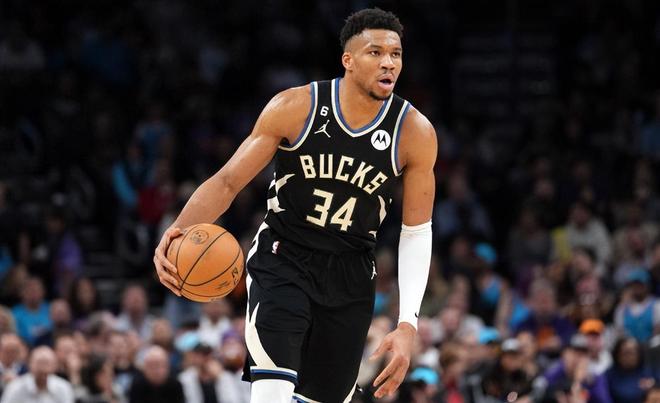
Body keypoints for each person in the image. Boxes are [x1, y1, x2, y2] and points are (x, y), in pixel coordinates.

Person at [153, 8, 436, 402]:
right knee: (272, 392)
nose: (388, 62)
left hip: (351, 274)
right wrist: (177, 230)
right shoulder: (296, 106)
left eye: (396, 54)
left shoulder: (414, 132)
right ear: (348, 60)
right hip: (284, 257)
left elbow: (416, 231)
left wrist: (407, 323)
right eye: (375, 52)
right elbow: (229, 180)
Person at [0, 346, 74, 403]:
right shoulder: (16, 387)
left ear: (55, 366)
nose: (43, 368)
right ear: (30, 364)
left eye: (47, 363)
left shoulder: (63, 387)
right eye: (40, 362)